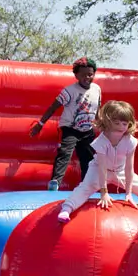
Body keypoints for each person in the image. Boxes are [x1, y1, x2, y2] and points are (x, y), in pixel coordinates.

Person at [57, 100, 138, 223]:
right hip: (98, 169)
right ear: (108, 122)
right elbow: (102, 167)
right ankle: (66, 209)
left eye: (124, 124)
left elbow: (129, 168)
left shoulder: (130, 141)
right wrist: (104, 192)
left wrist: (129, 193)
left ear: (130, 124)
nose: (121, 127)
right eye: (117, 123)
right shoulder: (101, 141)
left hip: (121, 171)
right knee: (85, 188)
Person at [30, 57, 102, 191]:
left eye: (90, 74)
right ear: (76, 75)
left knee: (88, 158)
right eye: (83, 75)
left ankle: (86, 185)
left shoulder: (97, 89)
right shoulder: (69, 91)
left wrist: (101, 124)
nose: (87, 77)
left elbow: (97, 108)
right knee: (64, 154)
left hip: (87, 130)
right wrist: (40, 124)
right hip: (70, 128)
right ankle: (55, 183)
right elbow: (53, 107)